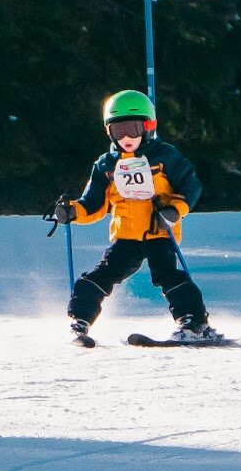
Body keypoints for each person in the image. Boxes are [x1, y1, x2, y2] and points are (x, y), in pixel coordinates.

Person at [52, 89, 222, 344]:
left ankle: (194, 322)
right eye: (119, 130)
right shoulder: (106, 165)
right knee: (102, 274)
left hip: (158, 231)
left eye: (134, 128)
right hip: (126, 234)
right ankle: (79, 320)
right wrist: (72, 211)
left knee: (167, 275)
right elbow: (94, 204)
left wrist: (174, 211)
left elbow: (190, 187)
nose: (127, 137)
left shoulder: (164, 156)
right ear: (109, 131)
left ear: (148, 127)